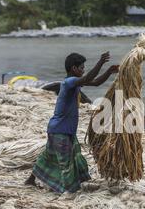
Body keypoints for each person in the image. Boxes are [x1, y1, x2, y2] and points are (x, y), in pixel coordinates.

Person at [25, 52, 119, 193]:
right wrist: (100, 62)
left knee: (49, 156)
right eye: (81, 68)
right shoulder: (69, 83)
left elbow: (96, 82)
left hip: (62, 130)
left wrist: (109, 72)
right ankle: (67, 190)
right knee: (66, 163)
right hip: (60, 131)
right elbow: (89, 77)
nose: (83, 70)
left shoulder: (75, 84)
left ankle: (30, 180)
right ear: (74, 68)